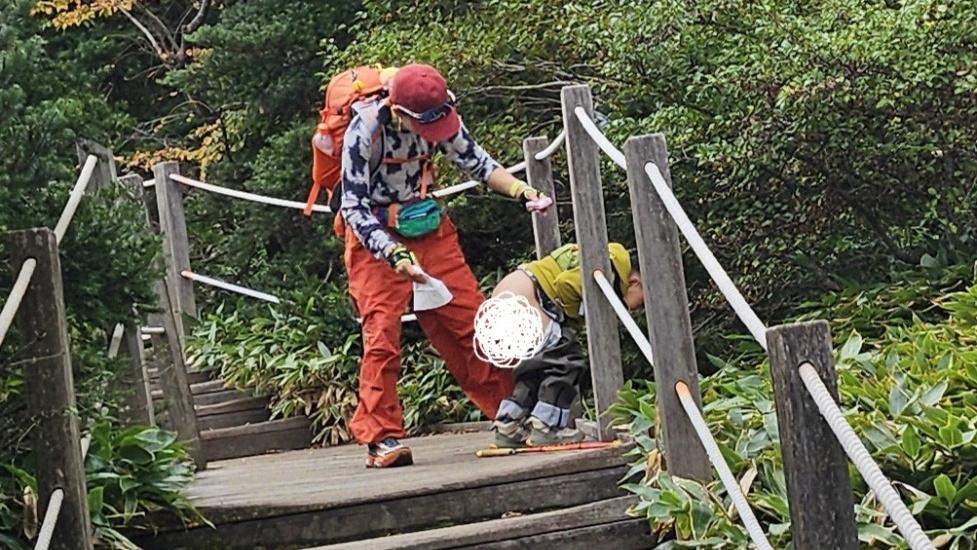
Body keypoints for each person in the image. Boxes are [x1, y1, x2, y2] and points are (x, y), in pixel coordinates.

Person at [338, 63, 550, 468]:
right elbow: (353, 206)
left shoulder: (442, 114)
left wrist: (522, 191)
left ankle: (511, 414)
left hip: (428, 227)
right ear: (398, 111)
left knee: (474, 322)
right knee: (382, 334)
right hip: (375, 238)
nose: (434, 134)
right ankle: (381, 437)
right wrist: (395, 256)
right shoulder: (364, 129)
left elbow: (480, 164)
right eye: (425, 125)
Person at [489, 242, 643, 447]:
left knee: (537, 368)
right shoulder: (610, 269)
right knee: (566, 361)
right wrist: (579, 313)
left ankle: (508, 424)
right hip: (529, 297)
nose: (636, 310)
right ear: (634, 282)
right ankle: (546, 426)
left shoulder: (602, 254)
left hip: (509, 293)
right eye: (640, 303)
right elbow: (566, 284)